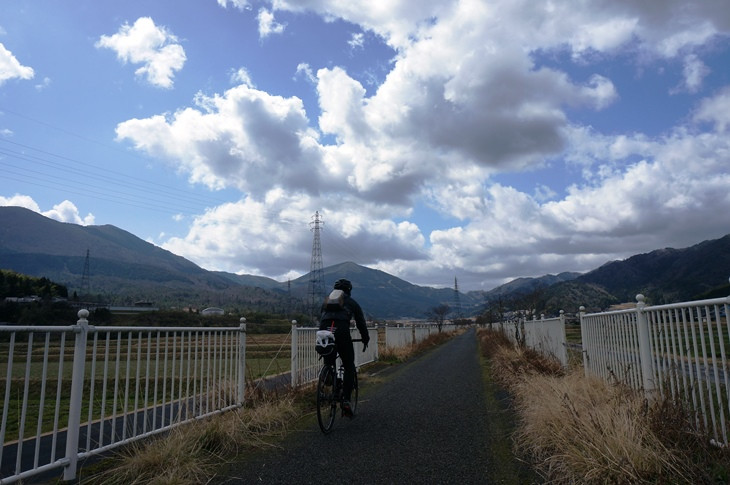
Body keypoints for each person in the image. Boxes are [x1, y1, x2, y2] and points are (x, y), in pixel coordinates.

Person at [319, 278, 369, 418]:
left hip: (325, 331)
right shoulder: (352, 303)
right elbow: (361, 322)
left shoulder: (326, 301)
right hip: (341, 332)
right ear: (349, 290)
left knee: (328, 361)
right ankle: (346, 399)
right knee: (348, 365)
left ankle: (327, 375)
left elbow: (322, 318)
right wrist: (365, 338)